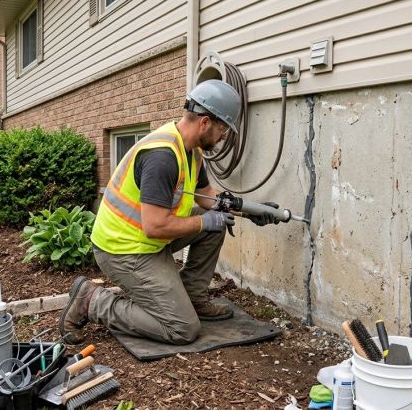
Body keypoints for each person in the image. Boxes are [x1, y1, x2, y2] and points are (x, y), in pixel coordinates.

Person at [59, 80, 279, 345]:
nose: (224, 137)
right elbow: (155, 226)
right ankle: (92, 301)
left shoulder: (191, 151)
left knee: (216, 224)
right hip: (122, 249)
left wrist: (250, 211)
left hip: (146, 240)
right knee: (182, 329)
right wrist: (203, 222)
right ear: (205, 122)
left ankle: (192, 299)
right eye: (223, 129)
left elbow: (207, 197)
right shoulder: (162, 157)